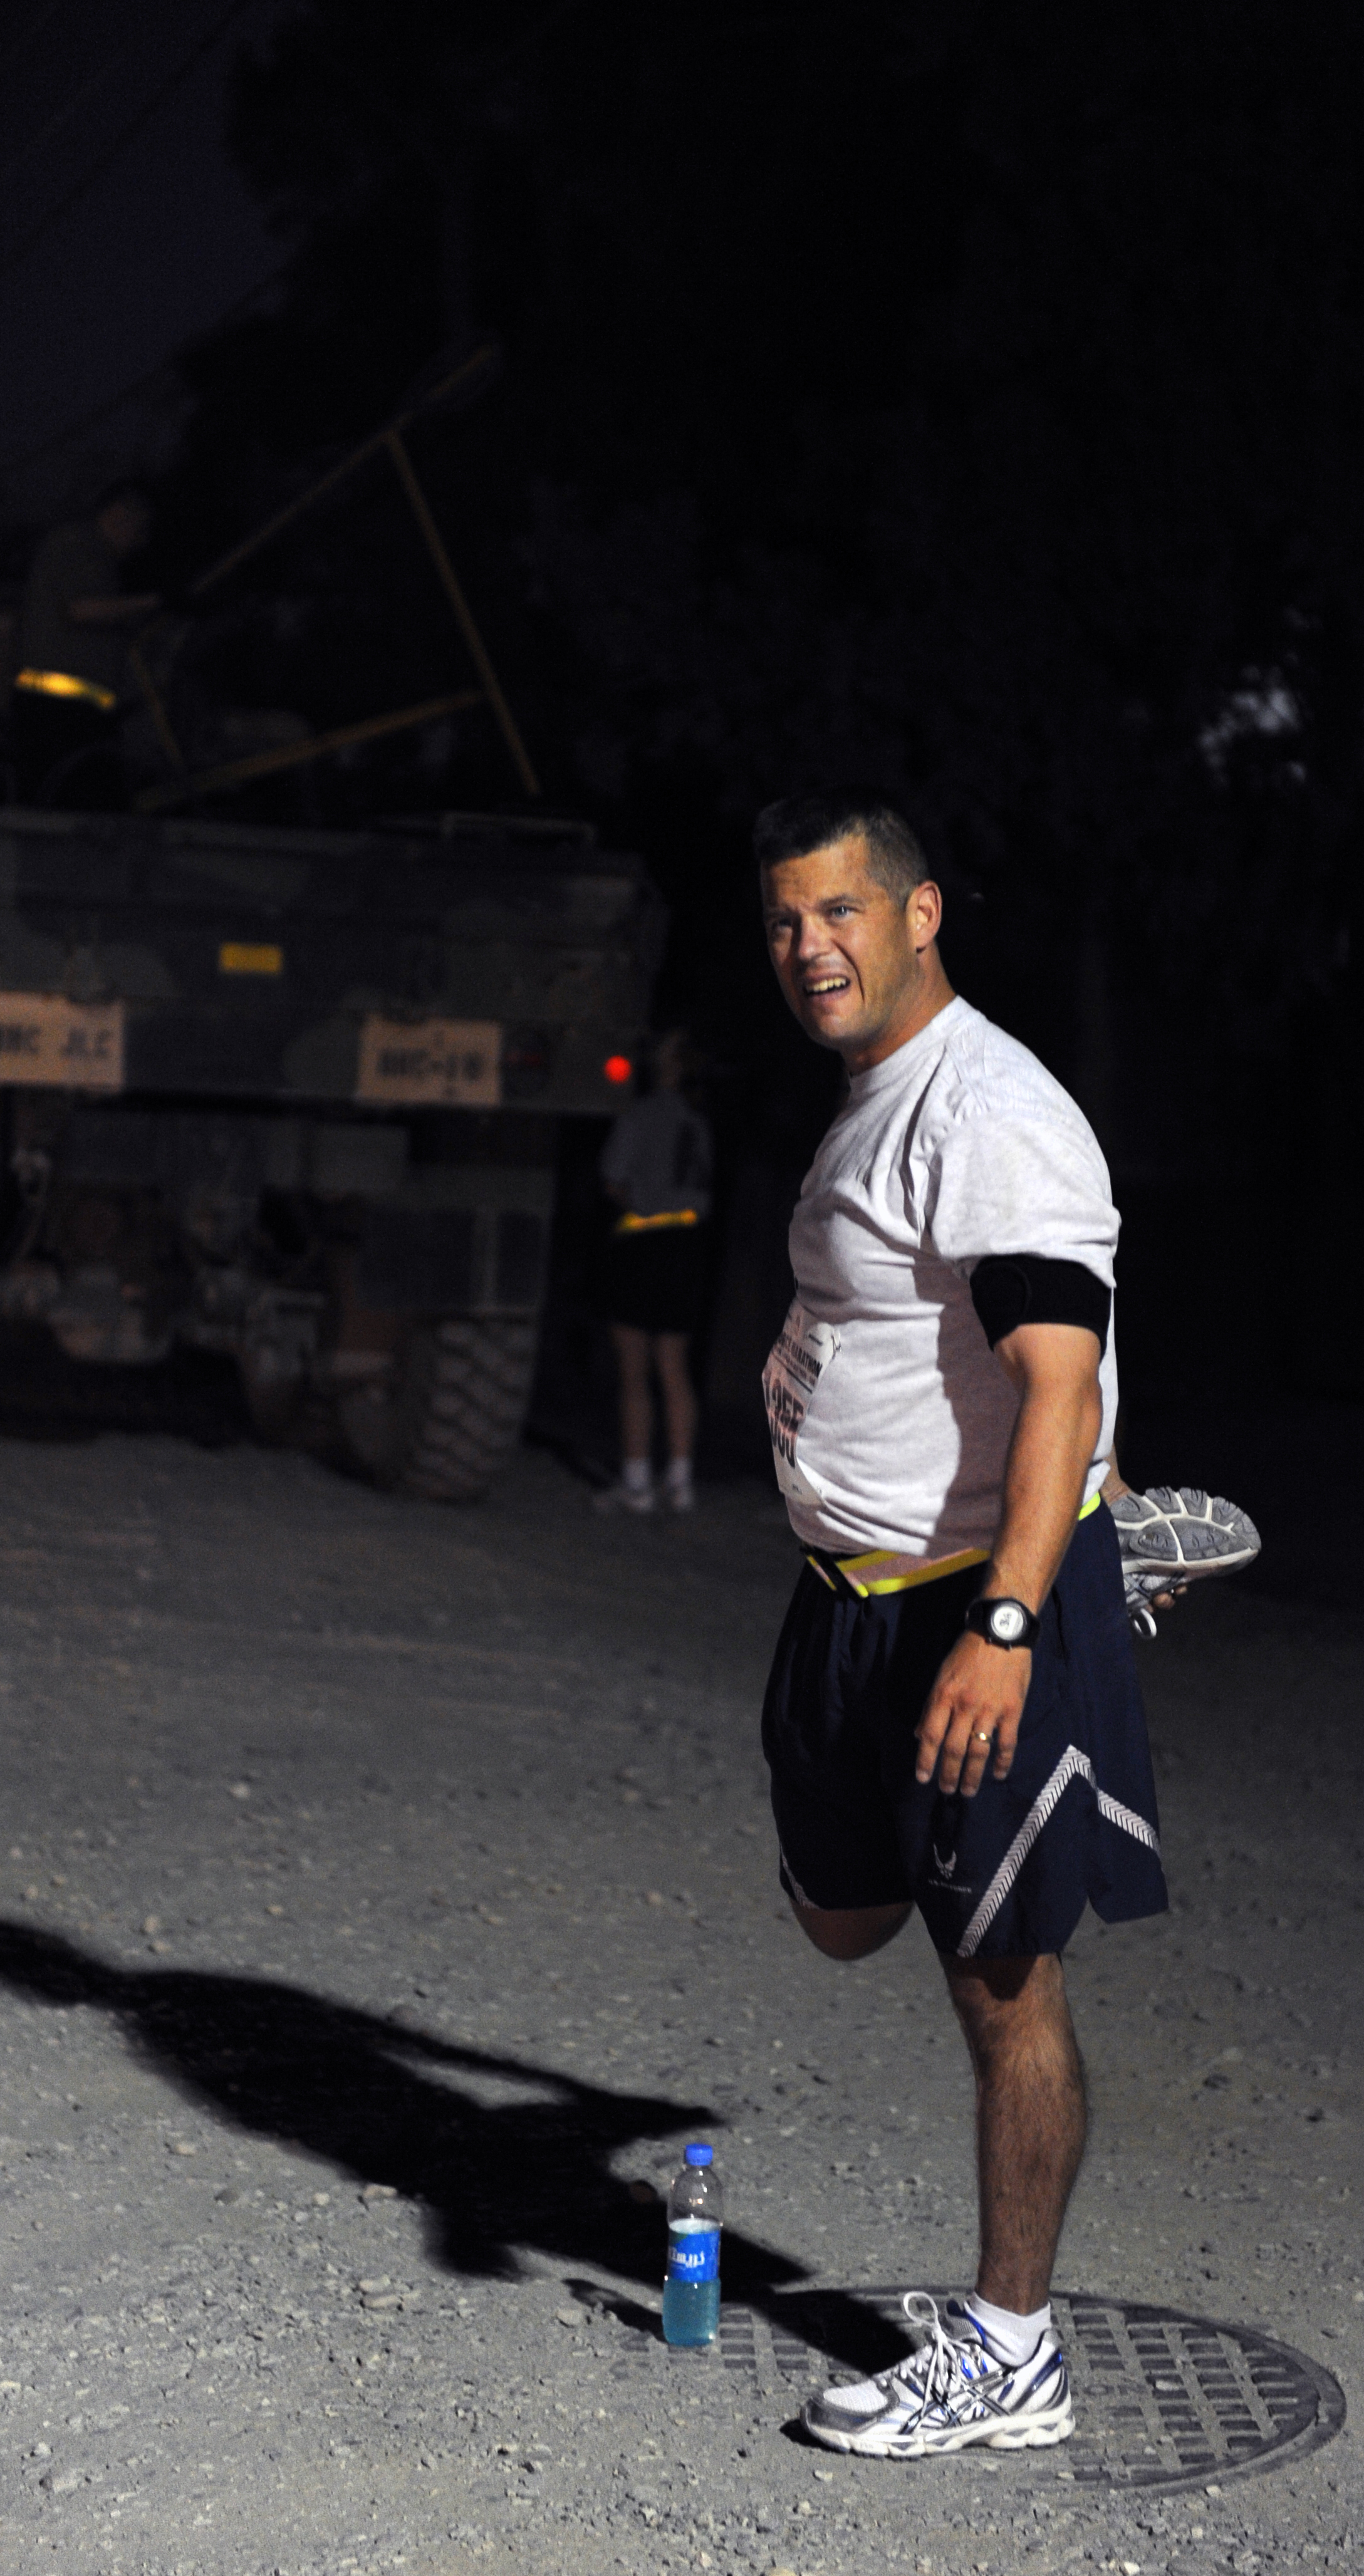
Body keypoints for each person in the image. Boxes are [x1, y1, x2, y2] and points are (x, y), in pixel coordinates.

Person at [754, 792, 1169, 2460]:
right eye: (786, 920)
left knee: (1003, 1982)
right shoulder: (879, 1094)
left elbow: (1055, 1376)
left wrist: (1007, 1619)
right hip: (847, 1599)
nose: (809, 948)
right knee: (840, 1917)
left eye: (841, 912)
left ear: (920, 913)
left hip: (964, 1601)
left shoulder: (987, 1107)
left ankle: (1011, 2353)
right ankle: (1111, 1529)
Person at [594, 1029, 712, 1515]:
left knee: (634, 1370)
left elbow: (613, 1180)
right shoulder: (698, 1121)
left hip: (643, 1242)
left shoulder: (642, 1115)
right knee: (674, 1367)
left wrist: (638, 1201)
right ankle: (680, 1482)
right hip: (685, 1245)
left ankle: (637, 1482)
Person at [13, 482, 160, 805]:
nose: (141, 543)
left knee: (81, 797)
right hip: (59, 709)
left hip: (77, 708)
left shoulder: (97, 558)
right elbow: (82, 609)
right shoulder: (78, 545)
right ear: (119, 514)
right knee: (69, 800)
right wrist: (154, 602)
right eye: (140, 530)